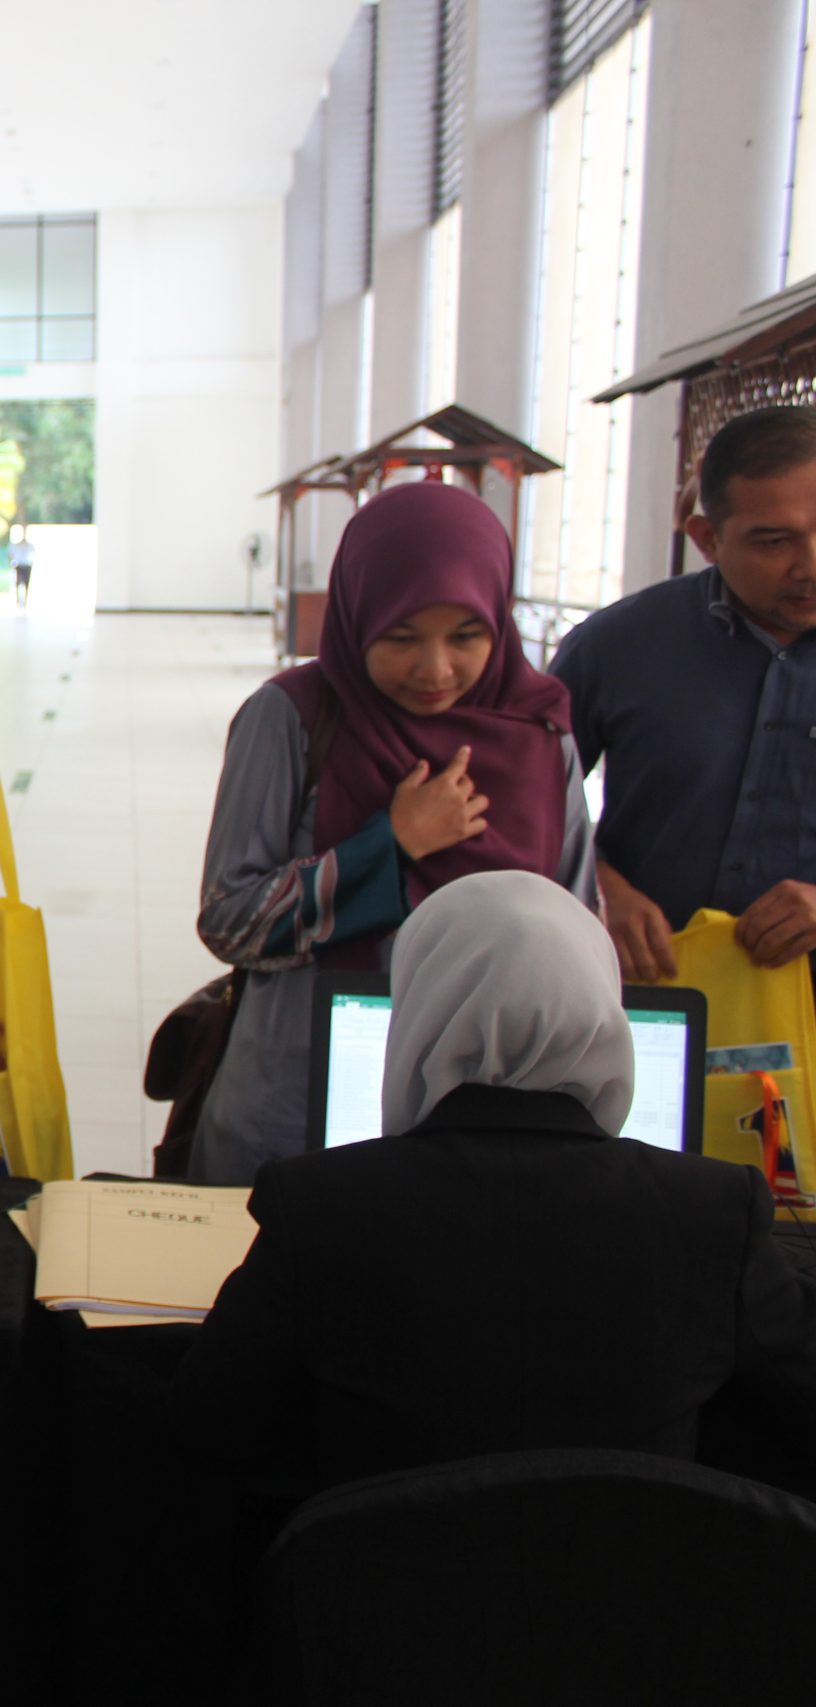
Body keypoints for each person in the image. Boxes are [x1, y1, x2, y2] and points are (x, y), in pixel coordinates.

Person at [173, 871, 816, 1491]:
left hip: (389, 1568)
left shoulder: (318, 1205)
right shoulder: (715, 1210)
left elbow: (211, 1429)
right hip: (632, 1569)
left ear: (419, 1009)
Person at [190, 480, 597, 1186]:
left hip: (479, 1118)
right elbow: (230, 920)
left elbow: (579, 936)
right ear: (355, 616)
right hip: (297, 1104)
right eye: (401, 637)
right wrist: (388, 848)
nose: (434, 669)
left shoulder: (539, 736)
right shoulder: (291, 717)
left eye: (466, 635)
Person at [552, 405, 816, 983]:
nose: (809, 566)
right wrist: (596, 885)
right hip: (642, 992)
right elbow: (523, 801)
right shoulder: (616, 646)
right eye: (775, 541)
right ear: (707, 539)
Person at [8, 523, 34, 609]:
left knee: (26, 584)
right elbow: (11, 554)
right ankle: (18, 600)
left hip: (26, 565)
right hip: (19, 565)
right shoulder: (15, 545)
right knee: (18, 583)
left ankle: (24, 601)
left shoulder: (29, 545)